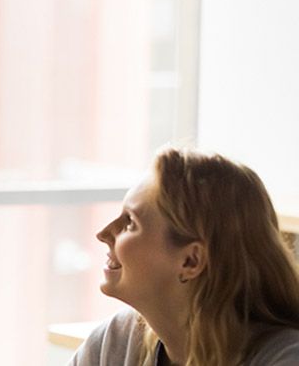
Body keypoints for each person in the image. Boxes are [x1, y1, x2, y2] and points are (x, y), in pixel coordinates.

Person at [71, 147, 299, 365]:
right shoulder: (118, 340)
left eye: (130, 222)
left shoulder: (285, 359)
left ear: (191, 261)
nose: (103, 234)